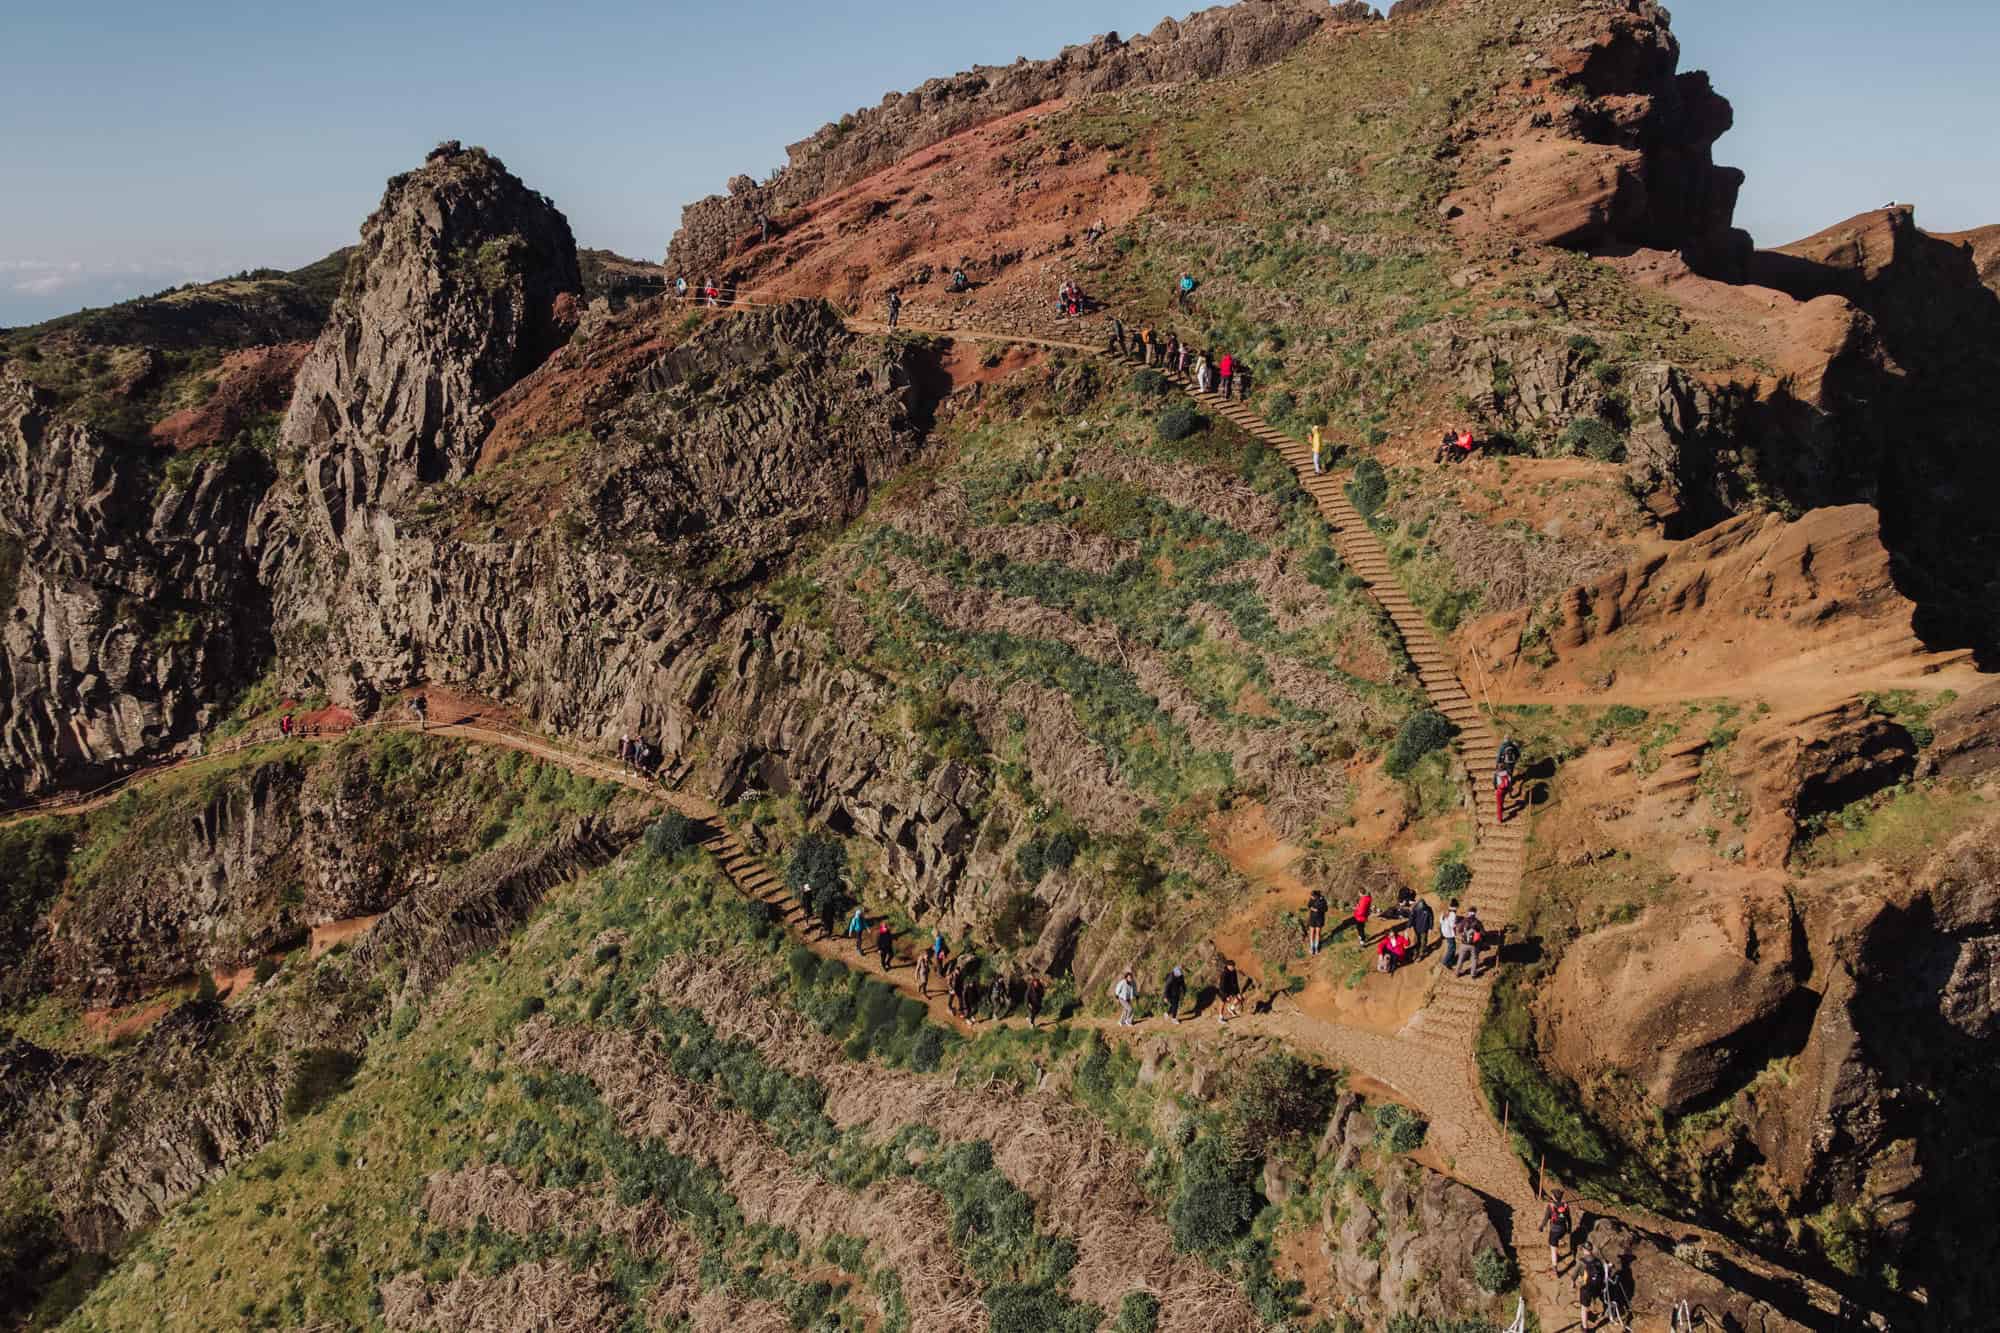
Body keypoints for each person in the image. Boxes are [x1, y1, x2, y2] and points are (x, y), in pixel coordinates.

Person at [1544, 1190, 1574, 1274]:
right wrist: (1569, 1228)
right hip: (1563, 1229)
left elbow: (1546, 1218)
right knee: (1555, 1241)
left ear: (1553, 1197)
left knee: (1553, 1248)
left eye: (1552, 1195)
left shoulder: (1551, 1206)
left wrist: (1541, 1227)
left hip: (1554, 1230)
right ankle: (1557, 1257)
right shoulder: (1565, 1205)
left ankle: (1555, 1267)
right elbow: (1569, 1218)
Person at [1457, 908, 1485, 978]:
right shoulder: (1478, 922)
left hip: (1464, 944)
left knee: (1461, 958)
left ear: (1468, 912)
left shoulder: (1464, 921)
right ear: (1475, 913)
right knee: (1474, 959)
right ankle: (1473, 974)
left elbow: (1459, 931)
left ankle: (1457, 972)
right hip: (1474, 945)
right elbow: (1483, 933)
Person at [1216, 958, 1243, 1024]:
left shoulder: (1234, 971)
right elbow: (1222, 985)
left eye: (1234, 966)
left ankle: (1231, 1008)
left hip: (1231, 989)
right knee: (1223, 1003)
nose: (1233, 967)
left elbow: (1236, 982)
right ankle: (1220, 1018)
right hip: (1223, 990)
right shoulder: (1224, 974)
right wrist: (1226, 996)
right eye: (1232, 966)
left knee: (1239, 998)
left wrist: (1238, 992)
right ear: (1228, 966)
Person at [1306, 889, 1329, 956]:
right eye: (1311, 896)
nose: (1311, 898)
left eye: (1312, 896)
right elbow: (1309, 905)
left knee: (1318, 933)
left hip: (1319, 918)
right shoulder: (1311, 899)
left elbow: (1326, 909)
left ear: (1316, 896)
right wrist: (1311, 908)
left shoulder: (1322, 900)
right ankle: (1311, 947)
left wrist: (1318, 910)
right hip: (1312, 918)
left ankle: (1316, 948)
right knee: (1312, 932)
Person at [1440, 899, 1461, 970]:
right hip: (1449, 932)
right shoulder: (1453, 914)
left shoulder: (1445, 912)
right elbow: (1452, 925)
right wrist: (1457, 924)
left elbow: (1441, 921)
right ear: (1456, 907)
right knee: (1451, 948)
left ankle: (1451, 960)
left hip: (1444, 931)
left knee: (1452, 946)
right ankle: (1445, 961)